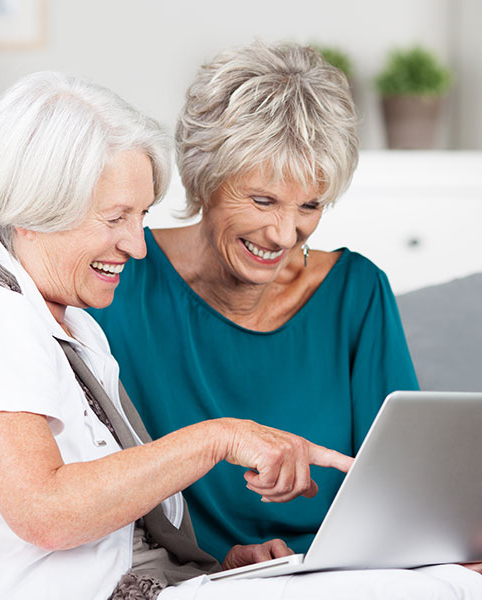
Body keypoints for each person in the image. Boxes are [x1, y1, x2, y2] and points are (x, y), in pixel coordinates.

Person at [0, 72, 480, 600]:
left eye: (140, 218)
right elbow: (48, 512)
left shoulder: (66, 326)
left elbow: (114, 529)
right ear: (30, 208)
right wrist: (218, 439)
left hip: (172, 582)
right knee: (450, 584)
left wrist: (220, 567)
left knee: (453, 575)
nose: (138, 245)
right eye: (116, 218)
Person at [88, 41, 420, 561]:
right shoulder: (118, 282)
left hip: (346, 574)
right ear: (205, 180)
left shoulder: (357, 294)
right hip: (193, 579)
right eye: (263, 200)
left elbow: (406, 484)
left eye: (309, 205)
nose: (286, 233)